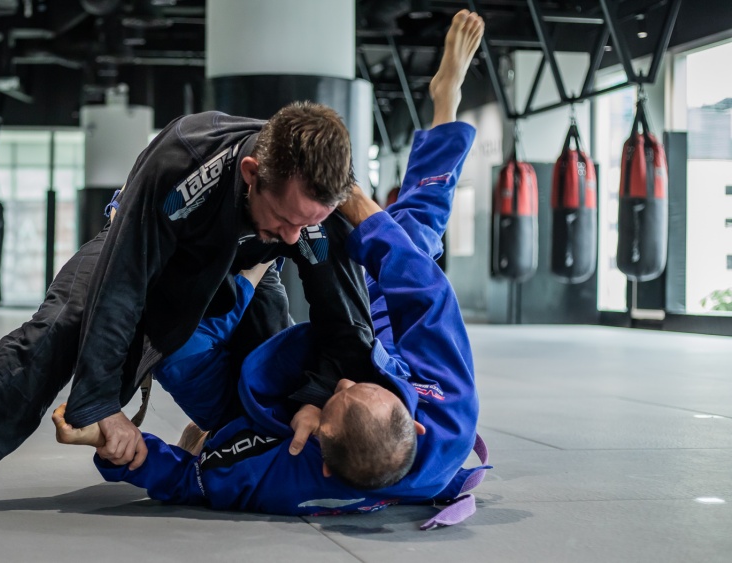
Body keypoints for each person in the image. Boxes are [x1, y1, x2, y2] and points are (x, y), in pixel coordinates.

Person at [0, 84, 382, 528]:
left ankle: (207, 434)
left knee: (278, 389)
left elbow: (347, 319)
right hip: (144, 250)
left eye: (306, 224)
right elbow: (124, 285)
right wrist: (101, 406)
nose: (296, 236)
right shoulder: (185, 158)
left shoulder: (314, 202)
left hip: (241, 266)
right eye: (285, 218)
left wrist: (317, 397)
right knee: (59, 329)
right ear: (251, 173)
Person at [52, 10, 488, 526]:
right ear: (412, 424)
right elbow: (427, 295)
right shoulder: (447, 423)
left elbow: (193, 480)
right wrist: (355, 205)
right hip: (379, 339)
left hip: (250, 398)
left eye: (336, 399)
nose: (344, 382)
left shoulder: (293, 473)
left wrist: (117, 446)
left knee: (168, 340)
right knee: (415, 236)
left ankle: (246, 273)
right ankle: (445, 101)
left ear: (316, 446)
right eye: (364, 388)